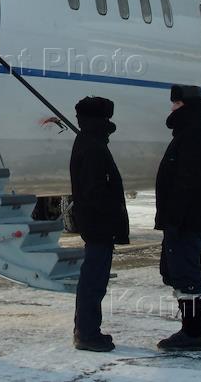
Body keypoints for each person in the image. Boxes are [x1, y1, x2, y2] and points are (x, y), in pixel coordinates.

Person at [154, 84, 201, 352]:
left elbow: (187, 182)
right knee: (177, 271)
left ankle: (193, 332)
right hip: (188, 219)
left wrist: (174, 219)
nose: (172, 108)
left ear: (186, 106)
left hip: (187, 220)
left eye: (176, 103)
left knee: (186, 275)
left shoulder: (194, 134)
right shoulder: (194, 131)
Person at [68, 96, 130, 352]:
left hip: (96, 224)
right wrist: (110, 220)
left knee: (93, 280)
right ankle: (87, 333)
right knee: (94, 281)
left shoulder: (89, 141)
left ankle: (86, 330)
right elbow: (95, 191)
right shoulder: (93, 146)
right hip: (98, 226)